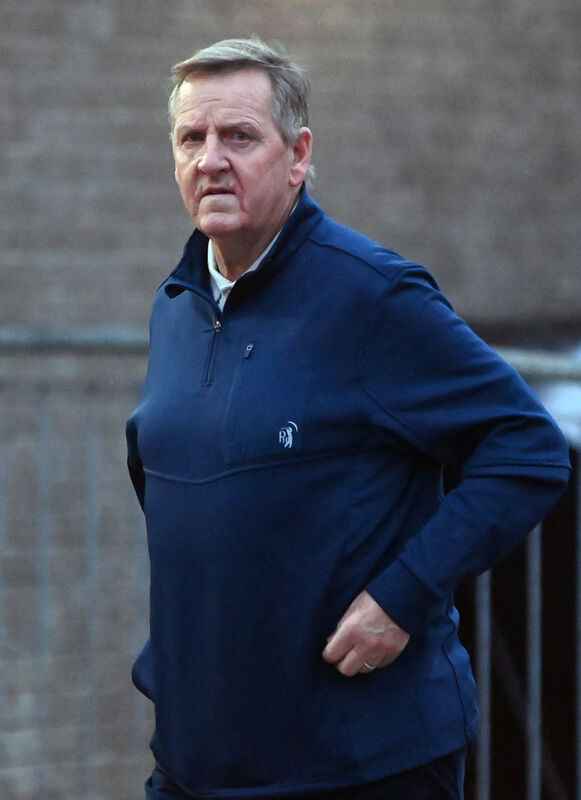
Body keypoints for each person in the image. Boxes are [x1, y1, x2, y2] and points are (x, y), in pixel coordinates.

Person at [126, 37, 571, 799]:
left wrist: (401, 595)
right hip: (198, 759)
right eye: (190, 139)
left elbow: (526, 447)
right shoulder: (177, 306)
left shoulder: (373, 297)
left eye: (239, 137)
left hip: (359, 762)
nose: (210, 160)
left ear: (297, 155)